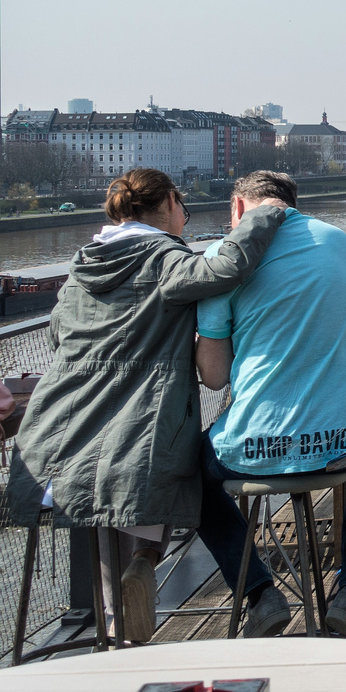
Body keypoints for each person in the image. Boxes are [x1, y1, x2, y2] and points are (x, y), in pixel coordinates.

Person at [6, 170, 285, 642]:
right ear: (172, 202)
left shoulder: (82, 265)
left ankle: (116, 626)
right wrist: (268, 213)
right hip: (143, 429)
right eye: (184, 209)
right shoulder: (164, 258)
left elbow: (56, 332)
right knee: (166, 463)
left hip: (58, 436)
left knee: (101, 493)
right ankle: (149, 562)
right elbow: (228, 267)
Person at [194, 171, 346, 640]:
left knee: (188, 475)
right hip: (342, 445)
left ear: (240, 209)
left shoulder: (220, 257)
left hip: (253, 450)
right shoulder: (337, 242)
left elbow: (215, 376)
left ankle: (259, 594)